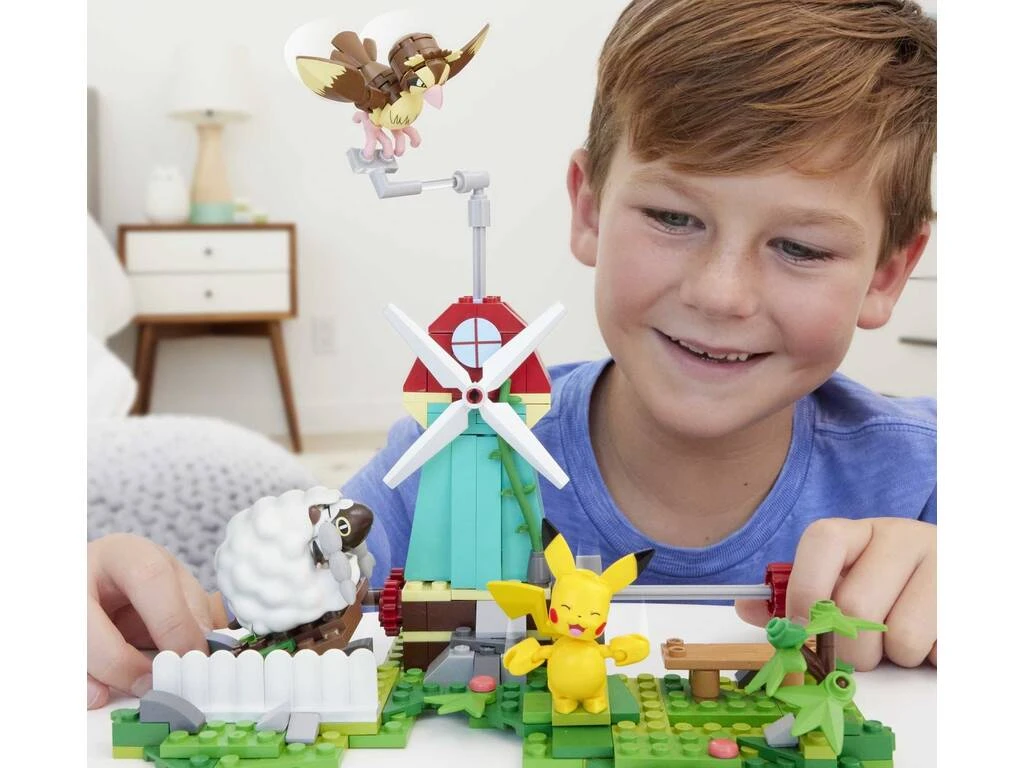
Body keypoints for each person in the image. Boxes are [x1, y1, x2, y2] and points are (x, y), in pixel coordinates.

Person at [88, 0, 937, 710]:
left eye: (800, 248)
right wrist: (136, 618)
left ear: (888, 273)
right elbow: (269, 621)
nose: (722, 294)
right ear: (589, 210)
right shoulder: (434, 471)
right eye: (674, 218)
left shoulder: (937, 479)